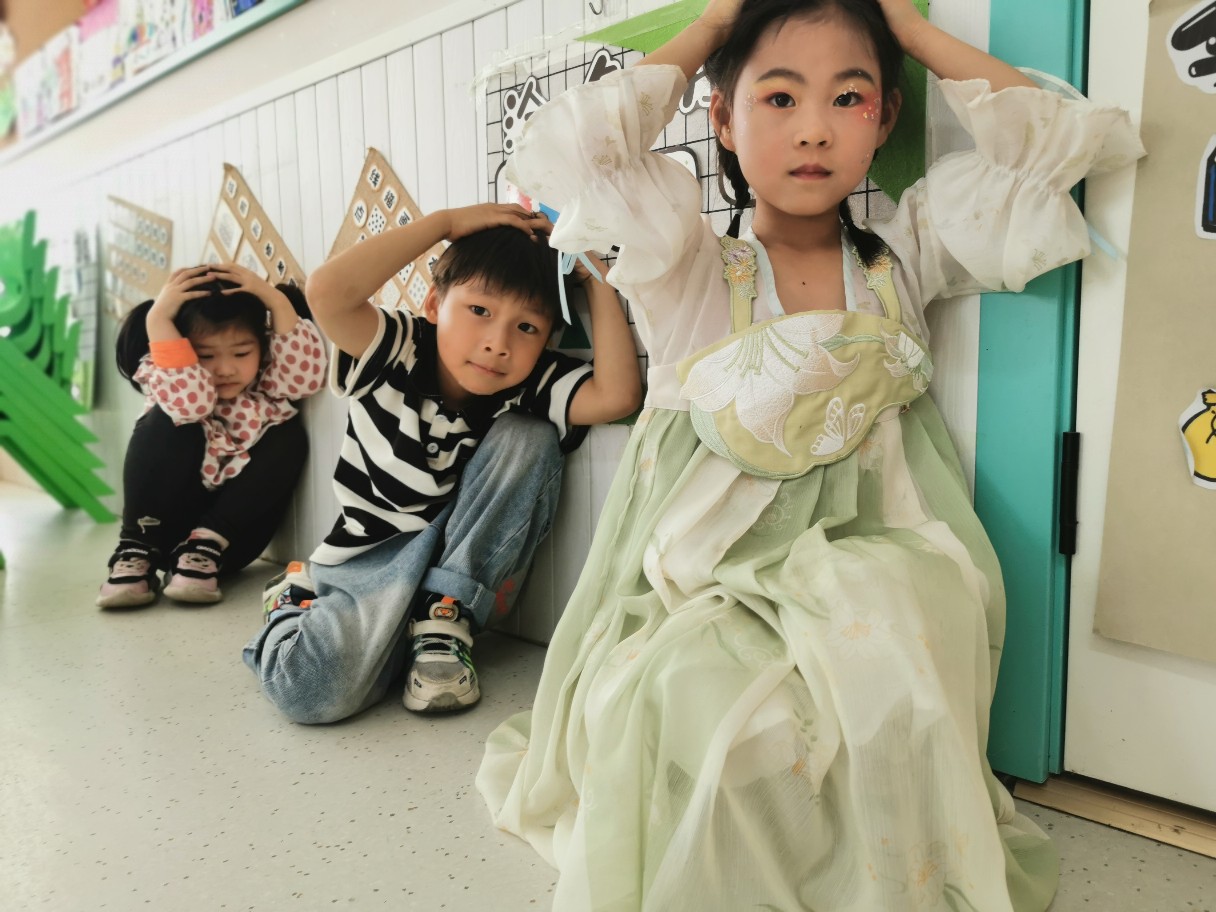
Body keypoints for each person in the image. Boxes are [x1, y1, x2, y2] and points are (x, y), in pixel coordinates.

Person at [476, 0, 1144, 909]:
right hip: (711, 564)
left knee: (890, 656)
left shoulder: (902, 255)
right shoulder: (689, 264)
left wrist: (907, 30)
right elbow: (579, 151)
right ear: (723, 118)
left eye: (850, 98)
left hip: (876, 546)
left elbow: (1050, 145)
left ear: (886, 117)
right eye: (780, 98)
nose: (815, 130)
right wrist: (715, 27)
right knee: (695, 700)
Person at [242, 203, 641, 721]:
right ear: (434, 304)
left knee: (531, 435)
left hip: (456, 571)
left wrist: (595, 279)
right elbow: (326, 293)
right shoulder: (398, 348)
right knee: (310, 692)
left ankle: (441, 622)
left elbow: (616, 397)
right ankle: (292, 601)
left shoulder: (528, 383)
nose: (498, 344)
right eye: (479, 311)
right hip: (372, 560)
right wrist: (445, 225)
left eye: (526, 327)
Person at [97, 264, 326, 609]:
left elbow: (305, 380)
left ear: (262, 344)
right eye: (205, 355)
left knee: (288, 433)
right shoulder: (171, 384)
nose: (225, 369)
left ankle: (204, 546)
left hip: (229, 544)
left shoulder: (267, 390)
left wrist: (273, 299)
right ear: (182, 348)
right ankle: (134, 548)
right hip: (157, 532)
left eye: (241, 353)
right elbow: (193, 403)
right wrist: (159, 318)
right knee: (170, 419)